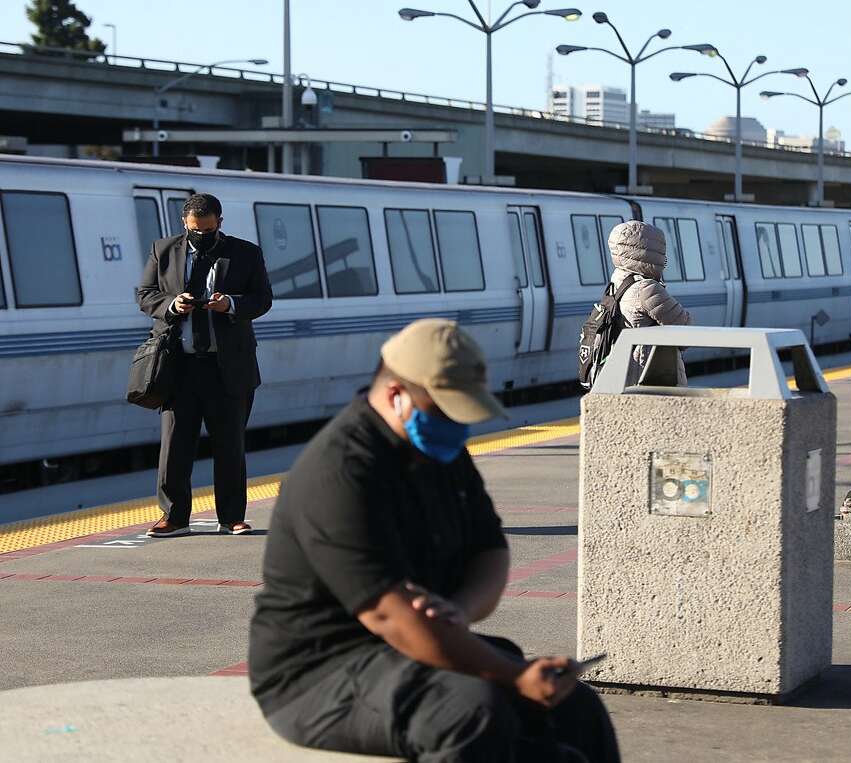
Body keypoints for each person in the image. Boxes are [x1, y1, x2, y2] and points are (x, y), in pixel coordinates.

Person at [248, 319, 620, 762]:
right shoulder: (339, 472)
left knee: (575, 706)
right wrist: (516, 677)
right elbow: (393, 619)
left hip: (406, 652)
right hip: (318, 675)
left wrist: (458, 609)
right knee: (470, 713)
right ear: (395, 395)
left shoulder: (439, 451)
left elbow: (490, 551)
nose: (457, 427)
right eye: (445, 411)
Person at [135, 193, 273, 538]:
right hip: (178, 365)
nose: (202, 235)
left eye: (209, 230)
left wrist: (230, 304)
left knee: (230, 445)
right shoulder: (163, 250)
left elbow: (262, 299)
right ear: (185, 223)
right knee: (175, 444)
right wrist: (171, 304)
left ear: (220, 223)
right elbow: (144, 294)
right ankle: (174, 517)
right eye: (196, 230)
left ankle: (231, 518)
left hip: (227, 366)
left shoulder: (245, 253)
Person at [606, 221, 692, 385]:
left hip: (623, 375)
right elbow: (686, 332)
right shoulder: (646, 288)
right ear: (653, 252)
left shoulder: (617, 283)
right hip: (649, 377)